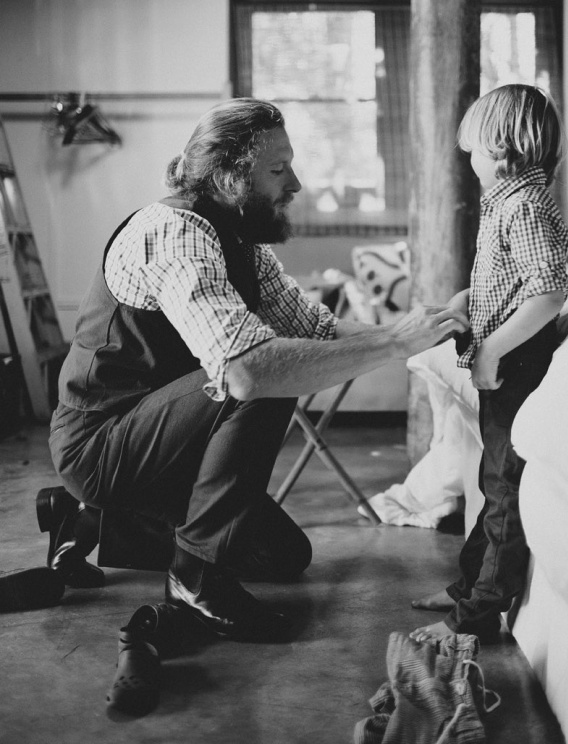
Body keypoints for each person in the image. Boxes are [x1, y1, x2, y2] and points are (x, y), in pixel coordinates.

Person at [43, 97, 468, 643]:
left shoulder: (238, 238)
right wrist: (393, 341)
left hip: (165, 446)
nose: (295, 184)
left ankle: (97, 516)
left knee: (284, 557)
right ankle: (193, 578)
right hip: (101, 445)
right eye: (278, 169)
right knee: (263, 373)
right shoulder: (173, 233)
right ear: (229, 177)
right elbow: (246, 373)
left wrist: (424, 334)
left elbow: (314, 328)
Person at [410, 85, 568, 644]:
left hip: (515, 363)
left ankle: (476, 615)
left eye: (474, 149)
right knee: (493, 479)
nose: (469, 159)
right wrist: (465, 302)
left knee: (505, 490)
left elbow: (547, 292)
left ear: (502, 149)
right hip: (506, 356)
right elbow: (511, 281)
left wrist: (492, 350)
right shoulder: (509, 201)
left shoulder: (524, 205)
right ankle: (466, 589)